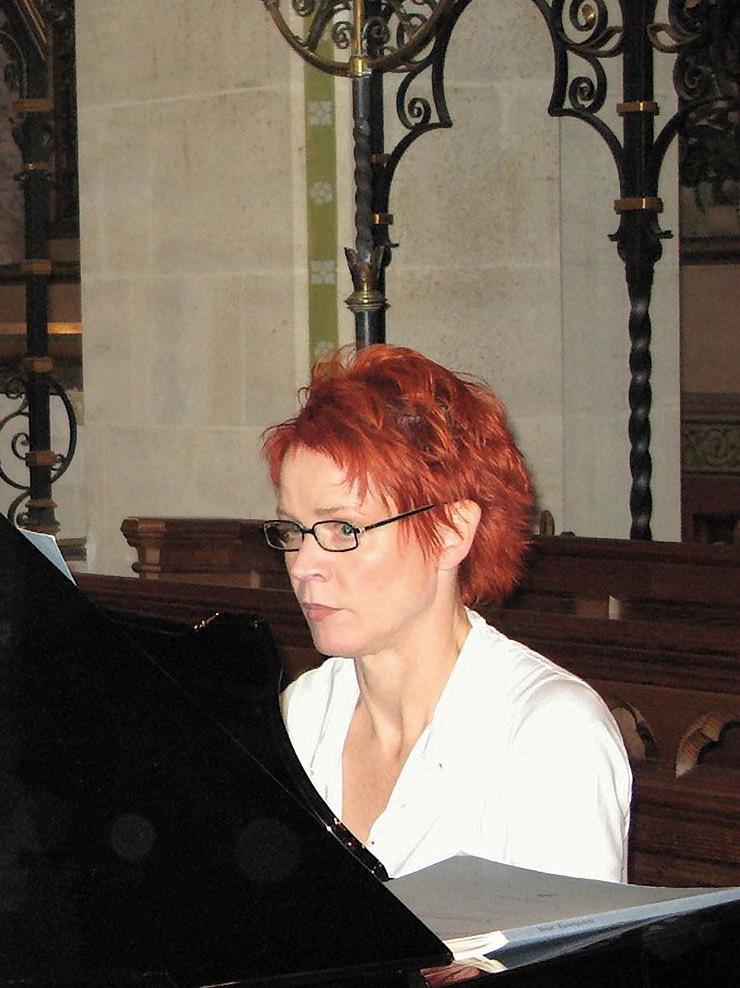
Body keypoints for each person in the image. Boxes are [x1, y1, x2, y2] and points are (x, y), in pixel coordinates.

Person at [261, 345, 631, 882]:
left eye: (343, 529)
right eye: (292, 530)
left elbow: (570, 940)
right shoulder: (302, 715)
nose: (303, 565)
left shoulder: (549, 735)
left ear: (453, 532)